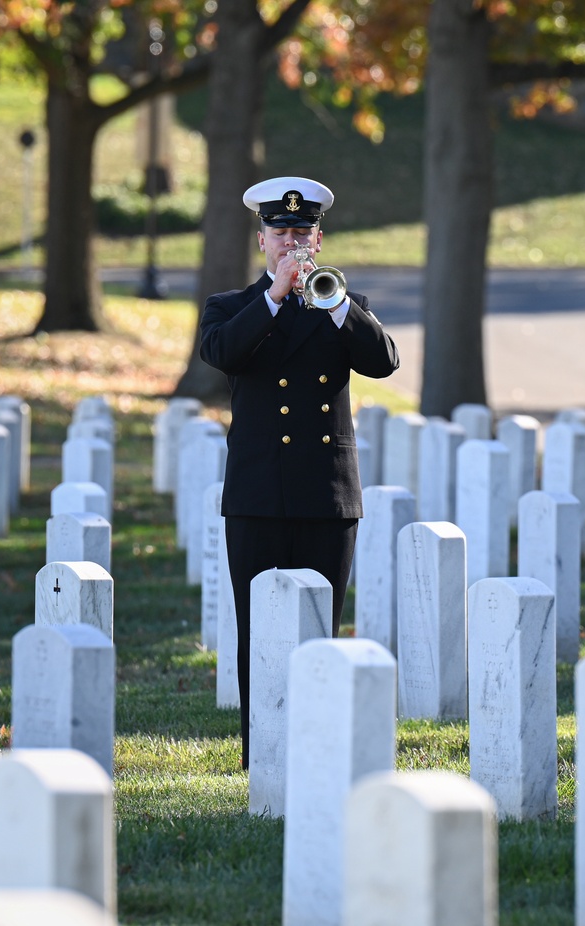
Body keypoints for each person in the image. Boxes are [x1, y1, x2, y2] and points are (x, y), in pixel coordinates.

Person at [199, 176, 400, 768]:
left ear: (319, 236)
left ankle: (315, 749)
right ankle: (259, 750)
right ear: (261, 239)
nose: (291, 241)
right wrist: (274, 298)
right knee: (255, 626)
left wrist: (333, 303)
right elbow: (222, 355)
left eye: (301, 231)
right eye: (280, 231)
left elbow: (382, 361)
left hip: (326, 494)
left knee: (321, 628)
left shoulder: (343, 305)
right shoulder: (231, 308)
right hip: (257, 494)